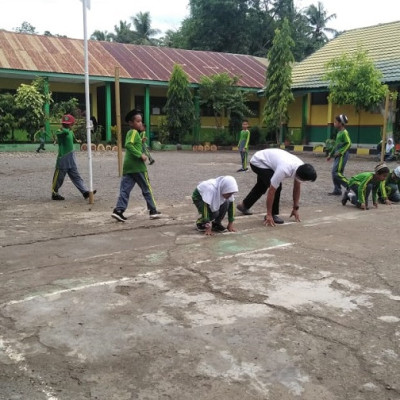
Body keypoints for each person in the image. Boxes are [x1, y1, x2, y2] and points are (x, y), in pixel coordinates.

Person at [236, 148, 317, 226]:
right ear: (300, 176)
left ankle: (244, 205)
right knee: (276, 187)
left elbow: (297, 188)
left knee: (261, 186)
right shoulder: (284, 169)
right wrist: (269, 214)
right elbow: (272, 191)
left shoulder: (302, 167)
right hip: (258, 162)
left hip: (268, 161)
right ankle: (272, 214)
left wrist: (295, 208)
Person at [111, 109, 161, 222]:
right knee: (146, 188)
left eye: (141, 121)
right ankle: (153, 210)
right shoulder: (133, 132)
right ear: (131, 123)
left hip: (128, 167)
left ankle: (119, 210)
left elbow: (134, 144)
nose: (140, 123)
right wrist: (140, 155)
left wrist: (142, 141)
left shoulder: (133, 133)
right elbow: (128, 145)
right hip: (138, 167)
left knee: (125, 190)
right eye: (138, 121)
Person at [52, 114, 95, 201]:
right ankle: (54, 193)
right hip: (63, 159)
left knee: (76, 177)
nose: (67, 125)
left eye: (69, 124)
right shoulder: (60, 131)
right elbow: (64, 133)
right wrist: (66, 129)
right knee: (59, 178)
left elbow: (73, 137)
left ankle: (85, 192)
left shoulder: (70, 132)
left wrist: (77, 140)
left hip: (71, 158)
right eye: (66, 124)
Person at [327, 114, 352, 195]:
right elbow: (336, 145)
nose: (334, 123)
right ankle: (337, 190)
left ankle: (350, 185)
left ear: (341, 123)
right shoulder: (339, 133)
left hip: (342, 155)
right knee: (337, 172)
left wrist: (341, 152)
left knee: (336, 172)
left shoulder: (344, 133)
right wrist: (331, 154)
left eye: (335, 122)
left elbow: (348, 143)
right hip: (338, 155)